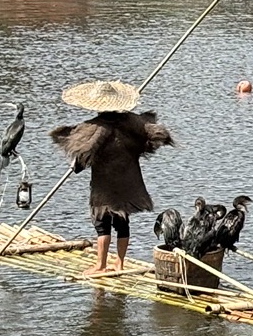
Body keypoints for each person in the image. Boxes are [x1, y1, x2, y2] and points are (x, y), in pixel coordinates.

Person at [49, 79, 173, 276]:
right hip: (128, 180)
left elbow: (82, 157)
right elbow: (155, 134)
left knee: (102, 224)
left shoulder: (92, 129)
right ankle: (120, 263)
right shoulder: (133, 123)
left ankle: (101, 265)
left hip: (104, 186)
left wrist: (76, 165)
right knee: (122, 222)